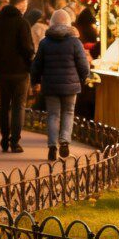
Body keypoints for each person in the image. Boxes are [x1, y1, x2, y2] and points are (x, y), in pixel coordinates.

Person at [31, 9, 90, 161]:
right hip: (71, 86)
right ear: (68, 23)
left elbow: (37, 64)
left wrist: (35, 81)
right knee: (68, 113)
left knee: (53, 115)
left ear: (51, 23)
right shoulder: (75, 42)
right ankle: (64, 141)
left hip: (50, 85)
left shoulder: (45, 43)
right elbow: (83, 64)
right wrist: (85, 78)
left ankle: (52, 146)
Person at [0, 0, 35, 153]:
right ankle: (15, 142)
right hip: (20, 72)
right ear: (19, 5)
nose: (26, 9)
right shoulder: (22, 23)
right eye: (25, 6)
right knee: (19, 106)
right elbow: (27, 48)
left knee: (4, 105)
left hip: (2, 71)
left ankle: (4, 138)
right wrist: (29, 63)